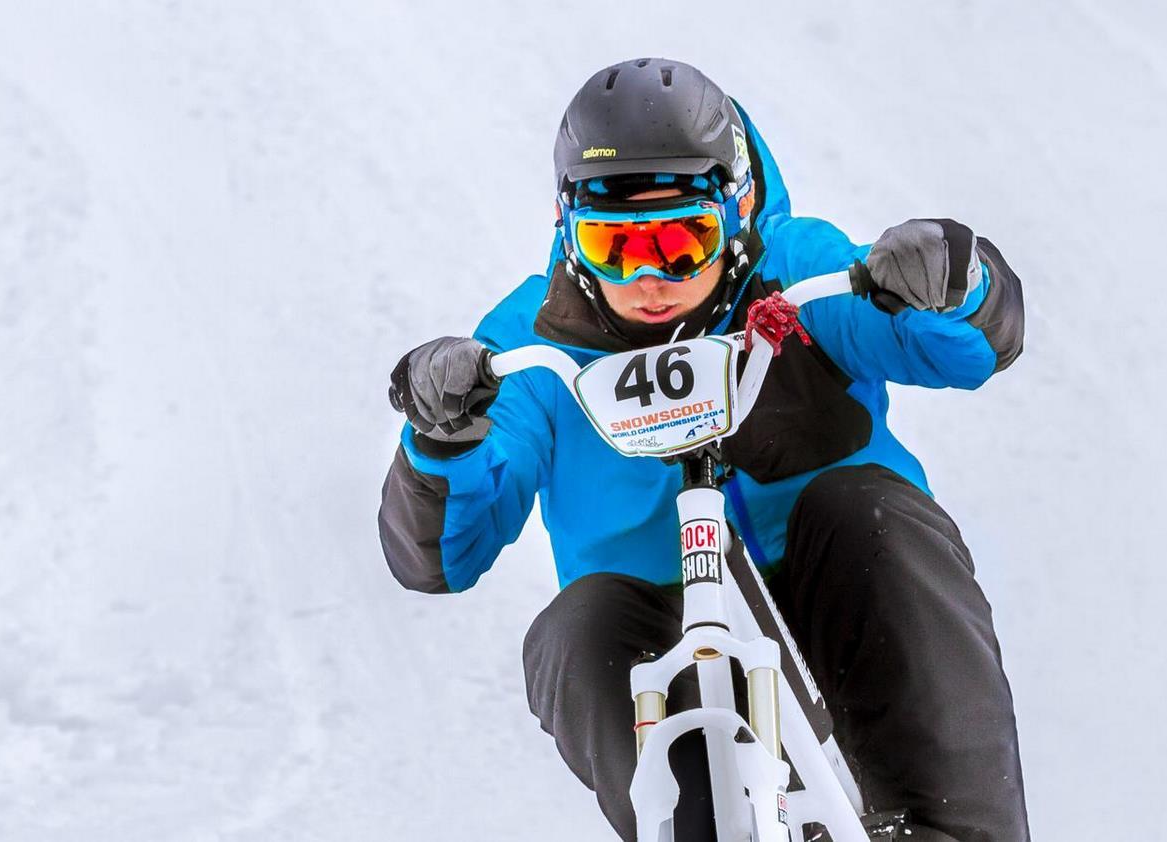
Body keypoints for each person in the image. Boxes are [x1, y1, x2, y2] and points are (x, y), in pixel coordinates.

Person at [379, 58, 1030, 842]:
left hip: (830, 579)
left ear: (736, 210)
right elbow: (440, 558)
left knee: (869, 513)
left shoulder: (793, 276)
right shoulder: (532, 346)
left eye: (681, 242)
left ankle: (956, 825)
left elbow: (964, 349)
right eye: (614, 248)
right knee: (574, 630)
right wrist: (443, 438)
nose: (650, 279)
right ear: (569, 238)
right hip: (656, 617)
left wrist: (952, 283)